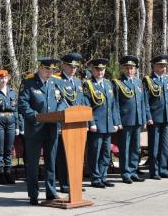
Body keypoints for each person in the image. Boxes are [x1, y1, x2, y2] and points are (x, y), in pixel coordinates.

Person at [18, 58, 63, 205]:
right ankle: (33, 194)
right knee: (33, 164)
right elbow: (23, 104)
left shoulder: (55, 82)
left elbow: (62, 100)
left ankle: (51, 192)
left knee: (51, 162)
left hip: (52, 128)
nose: (49, 72)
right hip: (35, 129)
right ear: (40, 68)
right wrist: (35, 117)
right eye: (47, 70)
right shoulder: (29, 82)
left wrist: (61, 113)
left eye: (52, 70)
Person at [83, 58, 119, 188]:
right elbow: (87, 106)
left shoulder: (108, 84)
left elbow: (113, 105)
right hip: (96, 125)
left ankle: (103, 177)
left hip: (108, 124)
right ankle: (95, 178)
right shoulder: (88, 85)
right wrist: (91, 122)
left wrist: (115, 122)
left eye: (102, 69)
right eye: (97, 69)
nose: (100, 72)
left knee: (105, 153)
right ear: (93, 70)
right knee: (94, 153)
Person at [112, 55, 146, 184]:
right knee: (125, 148)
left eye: (132, 68)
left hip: (137, 120)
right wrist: (118, 121)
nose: (129, 70)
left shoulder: (138, 82)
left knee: (135, 148)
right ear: (123, 68)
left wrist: (143, 119)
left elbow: (142, 102)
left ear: (135, 69)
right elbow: (115, 104)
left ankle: (133, 171)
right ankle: (125, 173)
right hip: (125, 121)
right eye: (127, 68)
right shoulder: (118, 83)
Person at [143, 55, 168, 180]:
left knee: (164, 145)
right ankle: (154, 171)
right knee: (154, 146)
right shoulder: (148, 80)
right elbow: (145, 101)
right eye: (161, 66)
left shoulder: (166, 80)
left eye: (164, 66)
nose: (164, 68)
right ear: (154, 66)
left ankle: (163, 169)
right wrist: (148, 117)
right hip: (155, 118)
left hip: (166, 117)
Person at [55, 52, 84, 193]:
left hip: (77, 125)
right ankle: (65, 183)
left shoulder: (78, 82)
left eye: (75, 67)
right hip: (63, 125)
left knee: (77, 156)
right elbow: (57, 103)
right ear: (64, 66)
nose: (73, 69)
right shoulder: (57, 80)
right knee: (64, 156)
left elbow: (81, 102)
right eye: (70, 66)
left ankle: (75, 182)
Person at [0, 70, 19, 184]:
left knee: (9, 148)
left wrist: (17, 126)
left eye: (5, 77)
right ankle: (1, 173)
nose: (3, 80)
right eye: (1, 78)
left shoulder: (12, 92)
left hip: (11, 121)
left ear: (8, 78)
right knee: (0, 148)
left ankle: (8, 172)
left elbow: (16, 110)